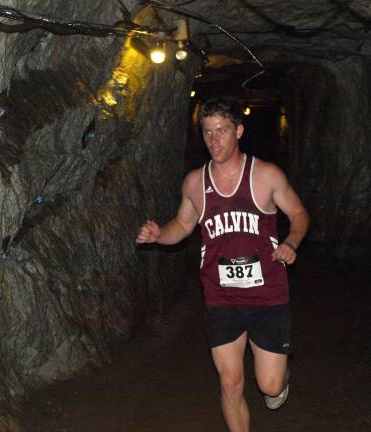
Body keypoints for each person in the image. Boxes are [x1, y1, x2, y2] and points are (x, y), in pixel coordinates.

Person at [136, 97, 309, 432]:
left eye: (222, 130)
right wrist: (159, 235)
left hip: (267, 296)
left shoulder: (266, 175)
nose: (214, 140)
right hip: (221, 296)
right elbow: (183, 226)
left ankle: (281, 375)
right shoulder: (194, 183)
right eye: (207, 132)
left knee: (269, 386)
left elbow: (299, 214)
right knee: (230, 383)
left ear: (239, 131)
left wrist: (291, 242)